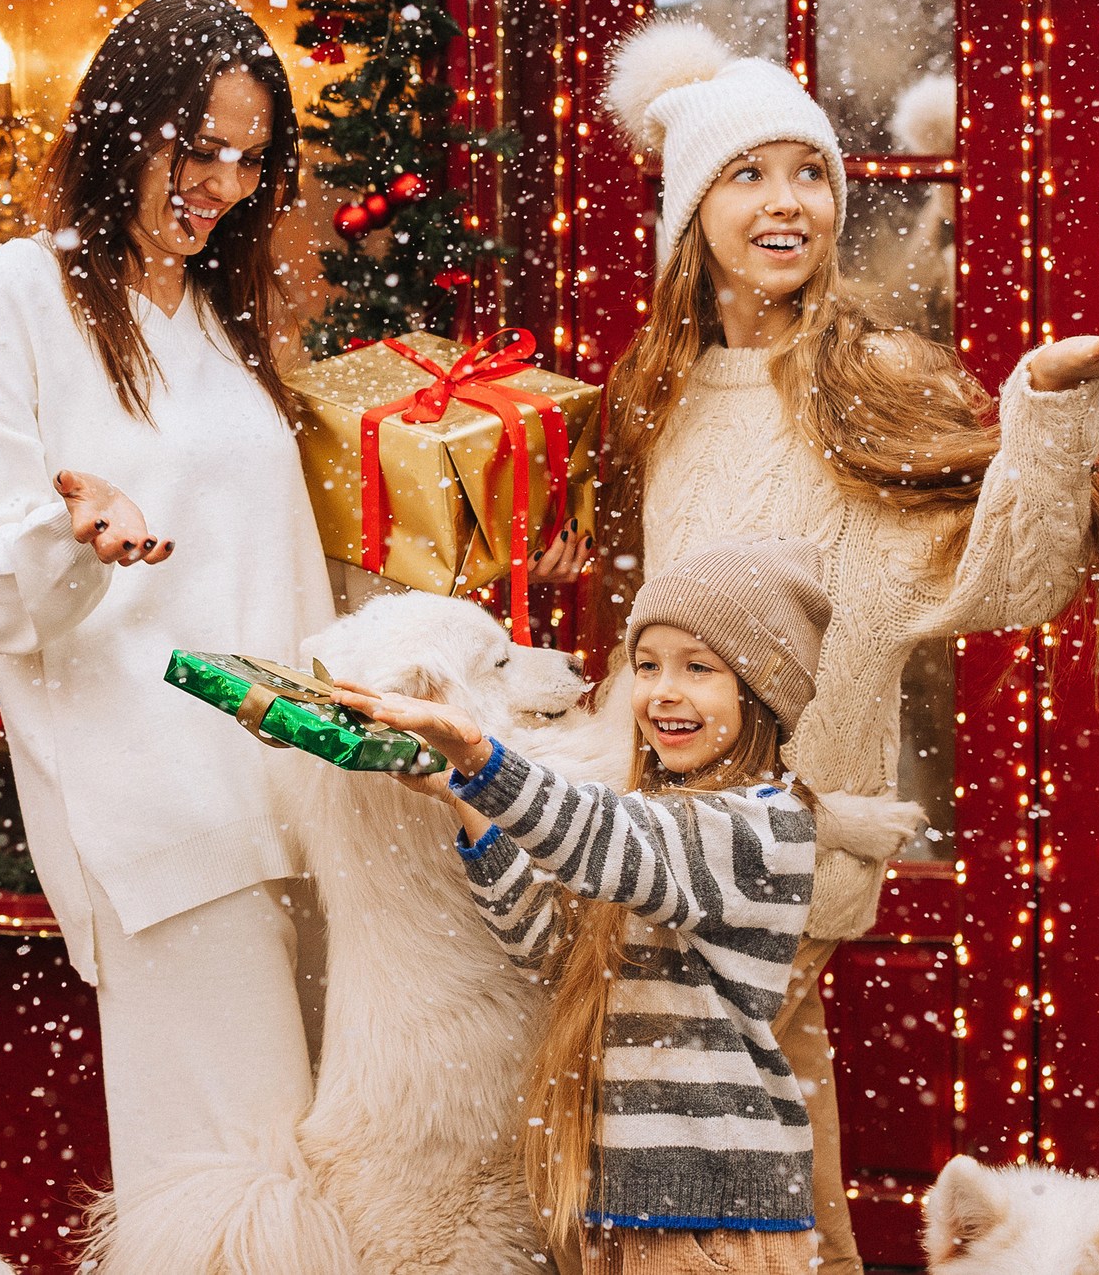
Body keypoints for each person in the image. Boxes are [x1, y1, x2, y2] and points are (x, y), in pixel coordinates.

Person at [530, 16, 1099, 1275]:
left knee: (751, 1181)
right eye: (749, 175)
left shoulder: (870, 380)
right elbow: (647, 632)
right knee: (672, 1179)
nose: (789, 205)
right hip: (643, 850)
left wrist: (1047, 406)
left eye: (812, 175)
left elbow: (1004, 578)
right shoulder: (652, 393)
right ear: (691, 212)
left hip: (776, 860)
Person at [0, 0, 335, 1220]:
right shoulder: (19, 294)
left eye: (248, 158)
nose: (219, 182)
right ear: (120, 126)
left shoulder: (221, 316)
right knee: (232, 1190)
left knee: (309, 1180)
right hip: (157, 815)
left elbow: (277, 555)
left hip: (296, 798)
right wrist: (71, 532)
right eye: (194, 143)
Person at [334, 537, 831, 1274]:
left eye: (699, 668)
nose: (664, 688)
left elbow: (599, 836)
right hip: (627, 1204)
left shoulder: (758, 824)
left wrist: (479, 756)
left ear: (761, 692)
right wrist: (463, 803)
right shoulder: (656, 821)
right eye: (650, 664)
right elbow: (545, 944)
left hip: (715, 1213)